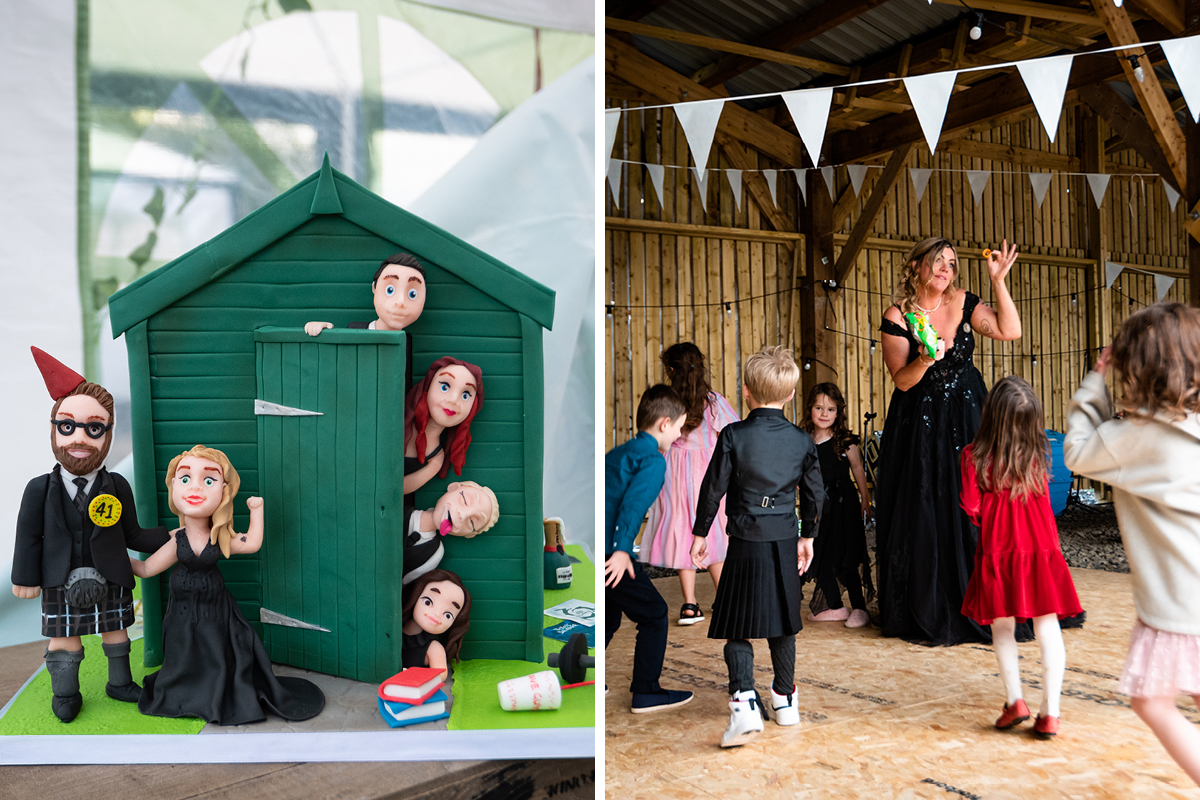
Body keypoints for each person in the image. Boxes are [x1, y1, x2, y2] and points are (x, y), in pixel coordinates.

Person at [1064, 303, 1200, 782]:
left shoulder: (1132, 438)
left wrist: (1092, 383)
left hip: (1181, 605)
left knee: (1152, 701)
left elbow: (1076, 450)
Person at [875, 238, 1023, 645]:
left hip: (969, 416)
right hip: (919, 422)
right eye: (937, 261)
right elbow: (901, 380)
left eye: (952, 264)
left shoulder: (963, 301)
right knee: (925, 504)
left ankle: (983, 597)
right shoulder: (898, 315)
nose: (945, 269)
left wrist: (998, 281)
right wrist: (925, 358)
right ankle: (930, 602)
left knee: (974, 501)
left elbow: (1011, 331)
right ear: (917, 267)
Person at [11, 347, 171, 722]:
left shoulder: (116, 485)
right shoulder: (39, 489)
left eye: (93, 428)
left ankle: (119, 683)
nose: (79, 439)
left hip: (111, 575)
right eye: (67, 426)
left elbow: (132, 533)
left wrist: (170, 537)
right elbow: (28, 537)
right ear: (54, 429)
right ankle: (65, 693)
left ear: (108, 433)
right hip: (58, 579)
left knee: (116, 632)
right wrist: (23, 576)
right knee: (65, 639)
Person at [690, 345, 825, 748]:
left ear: (746, 391)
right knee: (784, 623)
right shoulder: (802, 441)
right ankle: (785, 701)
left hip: (745, 539)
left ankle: (745, 701)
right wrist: (808, 536)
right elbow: (817, 494)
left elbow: (713, 487)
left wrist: (700, 533)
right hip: (784, 536)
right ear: (788, 396)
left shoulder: (733, 434)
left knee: (737, 625)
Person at [132, 446, 324, 725]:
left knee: (216, 653)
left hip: (215, 612)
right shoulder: (177, 539)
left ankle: (217, 691)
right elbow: (147, 568)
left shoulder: (219, 537)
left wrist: (256, 511)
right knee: (183, 653)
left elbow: (252, 543)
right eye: (185, 479)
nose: (195, 487)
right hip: (182, 615)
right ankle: (185, 691)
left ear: (224, 490)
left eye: (208, 481)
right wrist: (112, 557)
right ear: (174, 485)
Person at [961, 376, 1082, 738]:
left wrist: (990, 518)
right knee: (1048, 628)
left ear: (991, 414)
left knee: (1002, 627)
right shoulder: (1039, 454)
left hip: (998, 550)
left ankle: (1015, 701)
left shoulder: (973, 456)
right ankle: (1051, 713)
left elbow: (970, 505)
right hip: (1040, 551)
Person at [604, 384, 693, 714]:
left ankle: (585, 674)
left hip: (605, 546)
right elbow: (631, 506)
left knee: (611, 615)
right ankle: (646, 691)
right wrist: (622, 550)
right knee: (654, 615)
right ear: (664, 424)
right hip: (614, 552)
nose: (680, 435)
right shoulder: (653, 460)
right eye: (680, 427)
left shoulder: (620, 452)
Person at [639, 342, 739, 625]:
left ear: (670, 370)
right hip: (711, 472)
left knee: (684, 530)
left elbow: (655, 439)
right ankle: (724, 601)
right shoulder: (715, 401)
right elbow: (732, 435)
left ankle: (690, 606)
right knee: (714, 533)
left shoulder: (666, 403)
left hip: (675, 473)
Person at [798, 382, 873, 629]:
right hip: (817, 507)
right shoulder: (803, 440)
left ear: (838, 412)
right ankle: (833, 605)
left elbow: (858, 469)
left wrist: (865, 498)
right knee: (820, 552)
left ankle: (859, 607)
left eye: (830, 409)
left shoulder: (844, 441)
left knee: (846, 554)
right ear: (810, 408)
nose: (823, 414)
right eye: (818, 407)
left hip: (843, 504)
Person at [304, 252, 427, 394]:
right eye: (390, 290)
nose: (400, 302)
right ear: (374, 288)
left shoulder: (407, 346)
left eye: (412, 294)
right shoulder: (354, 330)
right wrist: (324, 332)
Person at [403, 357, 484, 499]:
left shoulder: (437, 458)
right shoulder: (397, 425)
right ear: (427, 387)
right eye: (444, 387)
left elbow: (397, 489)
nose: (453, 400)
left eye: (465, 395)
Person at [402, 480, 498, 587]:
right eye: (464, 500)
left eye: (472, 522)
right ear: (453, 487)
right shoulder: (399, 510)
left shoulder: (434, 554)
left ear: (469, 534)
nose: (463, 515)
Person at [401, 568, 472, 682]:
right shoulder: (396, 630)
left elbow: (440, 675)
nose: (437, 615)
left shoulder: (434, 648)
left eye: (448, 615)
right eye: (428, 602)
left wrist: (411, 675)